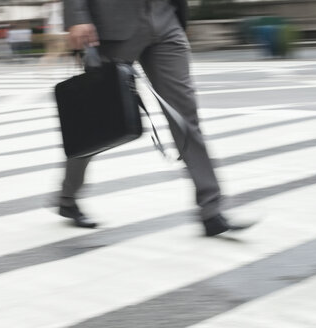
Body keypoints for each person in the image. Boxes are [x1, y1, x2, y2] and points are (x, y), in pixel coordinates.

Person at [58, 0, 254, 236]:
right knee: (98, 118)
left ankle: (211, 210)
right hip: (112, 26)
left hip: (166, 20)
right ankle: (68, 196)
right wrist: (77, 16)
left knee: (185, 116)